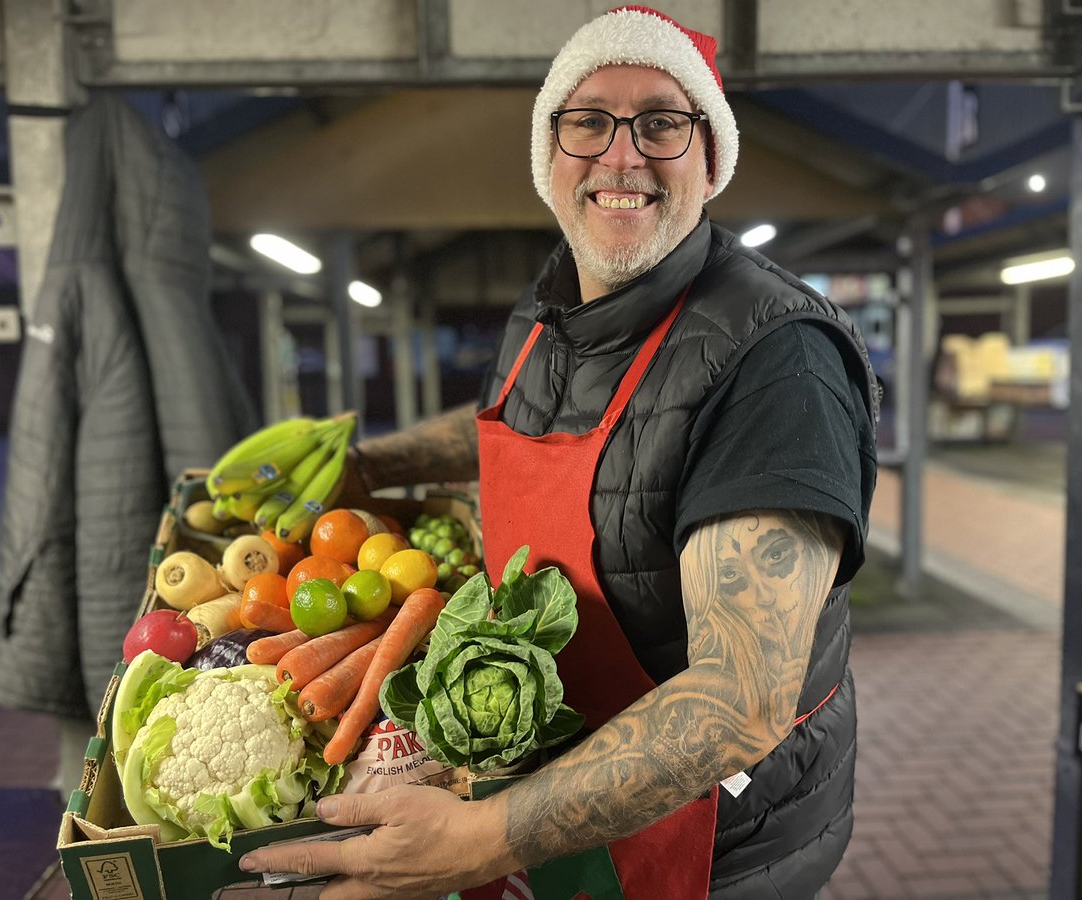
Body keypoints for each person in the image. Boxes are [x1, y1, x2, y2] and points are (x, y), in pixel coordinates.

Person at [240, 6, 878, 898]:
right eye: (588, 122)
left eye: (662, 120)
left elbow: (741, 697)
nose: (622, 154)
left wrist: (478, 841)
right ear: (550, 158)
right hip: (552, 783)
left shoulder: (777, 359)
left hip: (710, 839)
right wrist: (369, 468)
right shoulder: (550, 310)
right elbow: (508, 424)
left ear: (710, 157)